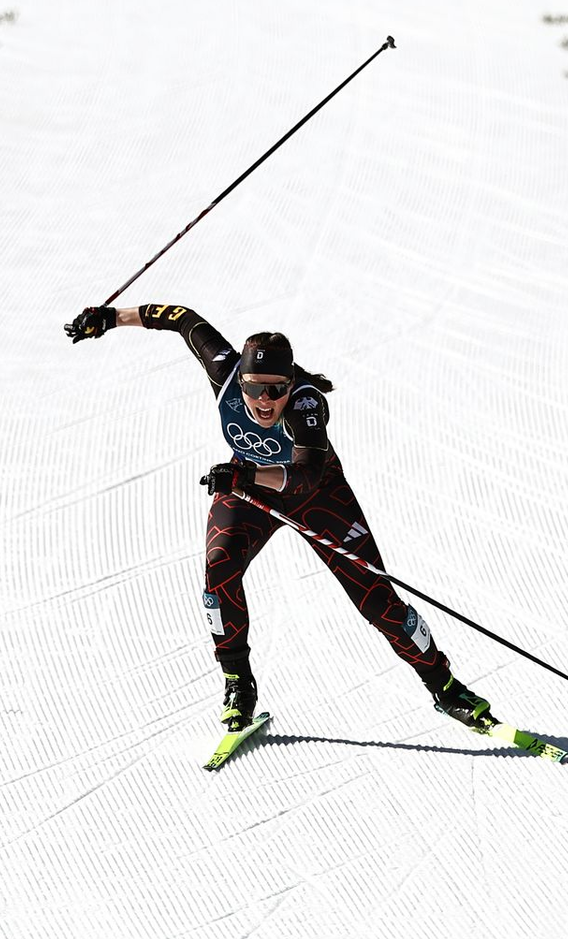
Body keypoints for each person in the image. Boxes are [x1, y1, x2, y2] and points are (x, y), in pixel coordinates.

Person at [65, 302, 496, 735]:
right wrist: (110, 318)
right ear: (242, 379)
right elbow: (179, 318)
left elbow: (306, 476)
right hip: (249, 486)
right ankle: (238, 684)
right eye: (255, 388)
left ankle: (446, 688)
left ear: (292, 382)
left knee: (377, 600)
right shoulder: (224, 371)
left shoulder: (306, 404)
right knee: (218, 570)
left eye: (277, 389)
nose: (264, 401)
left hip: (316, 495)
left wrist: (244, 476)